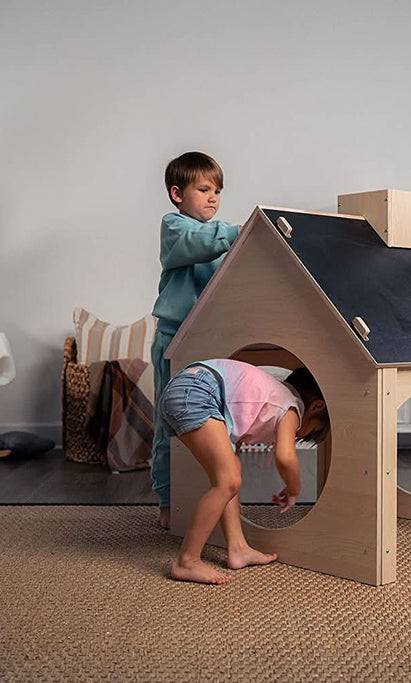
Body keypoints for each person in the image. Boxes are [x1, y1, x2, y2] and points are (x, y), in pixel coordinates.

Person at [157, 359, 330, 585]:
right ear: (316, 406)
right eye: (309, 431)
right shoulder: (292, 407)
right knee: (228, 480)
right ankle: (187, 561)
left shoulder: (267, 397)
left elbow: (233, 452)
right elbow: (286, 457)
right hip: (198, 390)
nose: (299, 434)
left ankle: (238, 548)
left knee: (230, 473)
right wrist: (293, 488)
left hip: (189, 386)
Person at [151, 152, 240, 529]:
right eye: (203, 189)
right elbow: (202, 242)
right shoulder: (176, 228)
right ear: (177, 193)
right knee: (168, 425)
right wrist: (244, 230)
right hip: (175, 341)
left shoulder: (219, 237)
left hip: (210, 345)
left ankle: (217, 501)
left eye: (217, 190)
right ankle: (168, 503)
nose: (213, 197)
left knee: (216, 426)